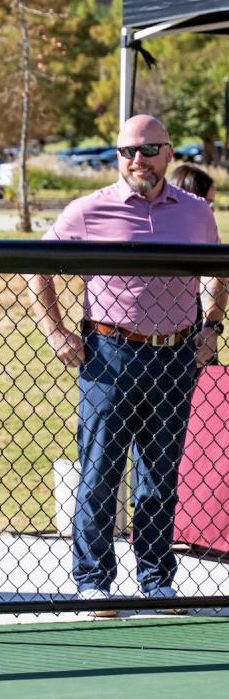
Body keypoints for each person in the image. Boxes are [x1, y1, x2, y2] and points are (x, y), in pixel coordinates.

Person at [30, 115, 223, 615]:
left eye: (149, 148)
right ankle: (94, 580)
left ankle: (157, 579)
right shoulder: (89, 210)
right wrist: (55, 332)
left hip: (178, 355)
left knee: (160, 476)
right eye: (126, 151)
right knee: (99, 472)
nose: (137, 159)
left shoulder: (196, 212)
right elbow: (39, 266)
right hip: (110, 356)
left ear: (169, 152)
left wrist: (212, 327)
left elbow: (218, 270)